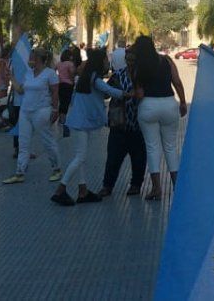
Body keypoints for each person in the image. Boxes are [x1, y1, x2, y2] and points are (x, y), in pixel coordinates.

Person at [53, 48, 128, 205]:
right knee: (80, 157)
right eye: (106, 60)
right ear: (100, 62)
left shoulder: (86, 78)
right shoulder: (94, 79)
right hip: (81, 123)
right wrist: (128, 94)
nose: (108, 62)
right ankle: (61, 189)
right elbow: (109, 91)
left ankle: (83, 191)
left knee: (80, 157)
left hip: (79, 122)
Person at [132, 35, 188, 200]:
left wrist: (136, 104)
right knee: (170, 147)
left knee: (152, 147)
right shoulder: (167, 61)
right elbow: (177, 82)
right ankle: (177, 185)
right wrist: (183, 102)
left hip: (148, 106)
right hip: (169, 104)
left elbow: (139, 93)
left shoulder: (138, 66)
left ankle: (156, 188)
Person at [3, 46, 62, 185]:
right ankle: (19, 172)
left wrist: (55, 110)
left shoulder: (50, 74)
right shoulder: (28, 73)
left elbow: (55, 93)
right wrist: (11, 77)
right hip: (25, 112)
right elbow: (21, 90)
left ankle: (57, 169)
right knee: (23, 143)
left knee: (48, 141)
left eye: (32, 57)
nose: (29, 60)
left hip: (42, 111)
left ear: (39, 59)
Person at [101, 46, 146, 197]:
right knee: (113, 158)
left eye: (134, 59)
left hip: (138, 125)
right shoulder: (118, 75)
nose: (131, 62)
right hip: (119, 124)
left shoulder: (143, 76)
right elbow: (106, 94)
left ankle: (135, 185)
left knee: (138, 158)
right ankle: (107, 186)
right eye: (129, 58)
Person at [56, 47, 78, 137]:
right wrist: (73, 81)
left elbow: (53, 70)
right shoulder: (70, 64)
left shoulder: (59, 64)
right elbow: (72, 73)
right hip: (68, 84)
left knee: (61, 101)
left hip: (60, 84)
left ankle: (60, 117)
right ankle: (63, 119)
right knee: (66, 102)